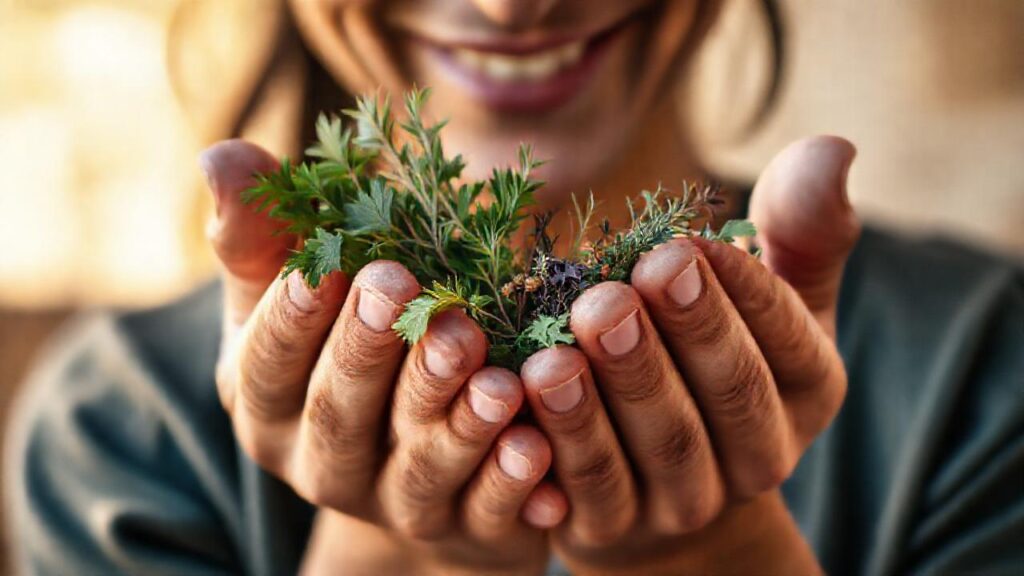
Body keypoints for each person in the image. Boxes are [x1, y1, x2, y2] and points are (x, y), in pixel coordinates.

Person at [6, 1, 1022, 575]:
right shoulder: (119, 440)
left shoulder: (987, 376)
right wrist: (393, 551)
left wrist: (713, 553)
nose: (507, 5)